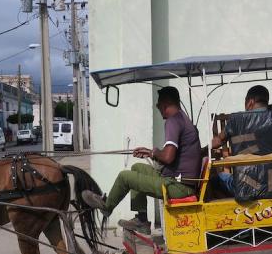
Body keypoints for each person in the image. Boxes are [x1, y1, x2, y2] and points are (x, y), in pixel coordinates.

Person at [82, 86, 201, 235]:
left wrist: (154, 152)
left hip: (179, 186)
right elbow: (172, 155)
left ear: (165, 104)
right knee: (137, 167)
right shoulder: (182, 118)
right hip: (178, 181)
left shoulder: (173, 122)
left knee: (124, 177)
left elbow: (168, 157)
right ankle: (142, 220)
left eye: (158, 104)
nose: (157, 107)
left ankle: (106, 207)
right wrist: (151, 153)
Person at [209, 85, 270, 195]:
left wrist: (203, 148)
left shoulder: (237, 120)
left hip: (248, 185)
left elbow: (217, 142)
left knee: (219, 177)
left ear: (250, 102)